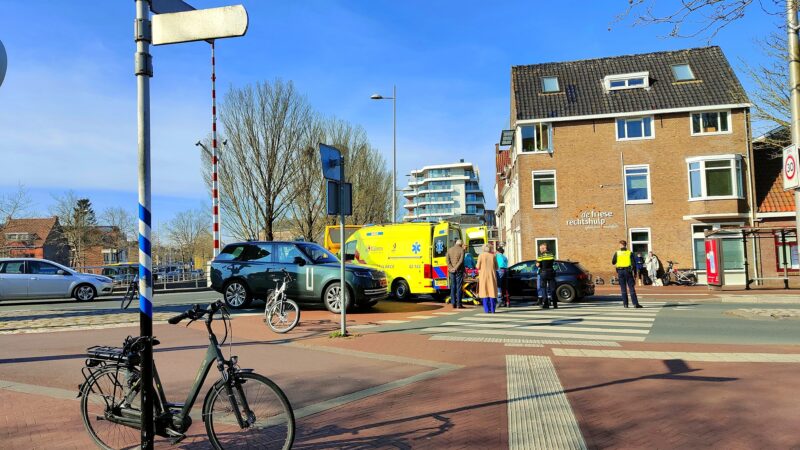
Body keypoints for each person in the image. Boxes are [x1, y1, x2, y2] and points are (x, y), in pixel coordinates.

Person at [611, 240, 642, 308]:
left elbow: (613, 262)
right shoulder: (630, 253)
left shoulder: (617, 253)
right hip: (628, 271)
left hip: (620, 271)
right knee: (631, 287)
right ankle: (635, 304)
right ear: (625, 245)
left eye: (619, 245)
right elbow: (634, 264)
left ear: (620, 245)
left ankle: (625, 304)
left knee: (623, 288)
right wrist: (635, 273)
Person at [476, 243, 498, 313]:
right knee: (492, 291)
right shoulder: (493, 256)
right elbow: (497, 267)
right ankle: (493, 309)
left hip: (483, 275)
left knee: (484, 291)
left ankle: (486, 309)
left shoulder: (481, 256)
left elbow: (477, 266)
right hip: (492, 275)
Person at [536, 243, 557, 309]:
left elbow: (537, 265)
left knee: (543, 288)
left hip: (543, 272)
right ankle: (555, 304)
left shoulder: (541, 255)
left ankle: (546, 304)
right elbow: (554, 263)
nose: (540, 250)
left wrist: (538, 264)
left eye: (541, 248)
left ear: (545, 248)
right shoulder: (552, 254)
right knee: (552, 288)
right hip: (551, 272)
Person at [446, 239, 466, 309]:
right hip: (459, 271)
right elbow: (461, 261)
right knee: (459, 287)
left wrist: (451, 268)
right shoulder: (462, 250)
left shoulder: (449, 250)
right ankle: (459, 304)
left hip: (451, 271)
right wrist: (456, 268)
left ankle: (453, 303)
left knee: (453, 286)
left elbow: (447, 261)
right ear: (460, 244)